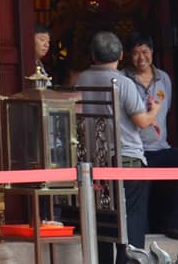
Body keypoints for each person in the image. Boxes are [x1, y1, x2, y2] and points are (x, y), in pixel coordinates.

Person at [73, 31, 159, 264]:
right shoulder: (123, 83)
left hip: (94, 163)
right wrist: (155, 111)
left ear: (93, 55)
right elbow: (141, 122)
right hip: (126, 161)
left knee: (102, 221)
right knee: (131, 222)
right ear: (121, 55)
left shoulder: (82, 79)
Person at [125, 33, 178, 239]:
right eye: (136, 53)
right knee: (141, 185)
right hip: (135, 150)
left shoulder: (164, 78)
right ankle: (142, 233)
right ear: (129, 55)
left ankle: (175, 224)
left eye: (145, 52)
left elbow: (167, 111)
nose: (141, 58)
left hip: (161, 148)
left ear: (152, 53)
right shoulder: (123, 79)